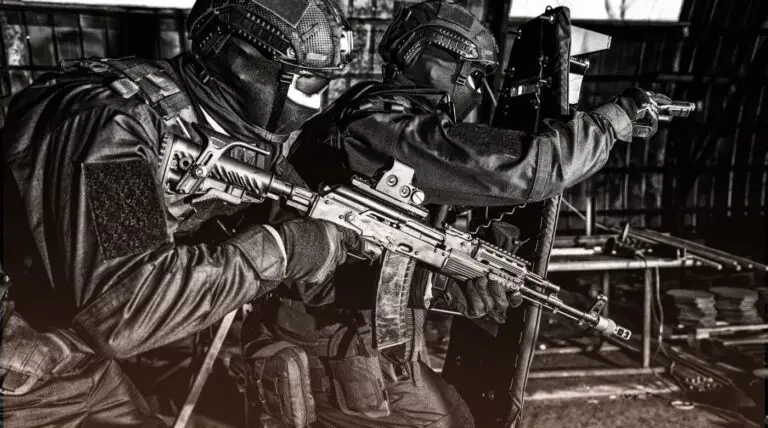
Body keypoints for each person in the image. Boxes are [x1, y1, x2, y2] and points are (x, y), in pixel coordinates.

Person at [244, 1, 667, 427]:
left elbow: (363, 255)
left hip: (334, 337)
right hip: (332, 348)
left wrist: (442, 284)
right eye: (476, 76)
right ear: (442, 66)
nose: (479, 92)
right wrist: (615, 119)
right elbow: (530, 170)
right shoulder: (384, 129)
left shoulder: (364, 116)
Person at [1, 0, 362, 425]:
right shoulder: (111, 124)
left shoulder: (203, 121)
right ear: (245, 68)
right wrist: (281, 250)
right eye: (310, 84)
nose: (316, 103)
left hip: (73, 358)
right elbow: (123, 310)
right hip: (20, 370)